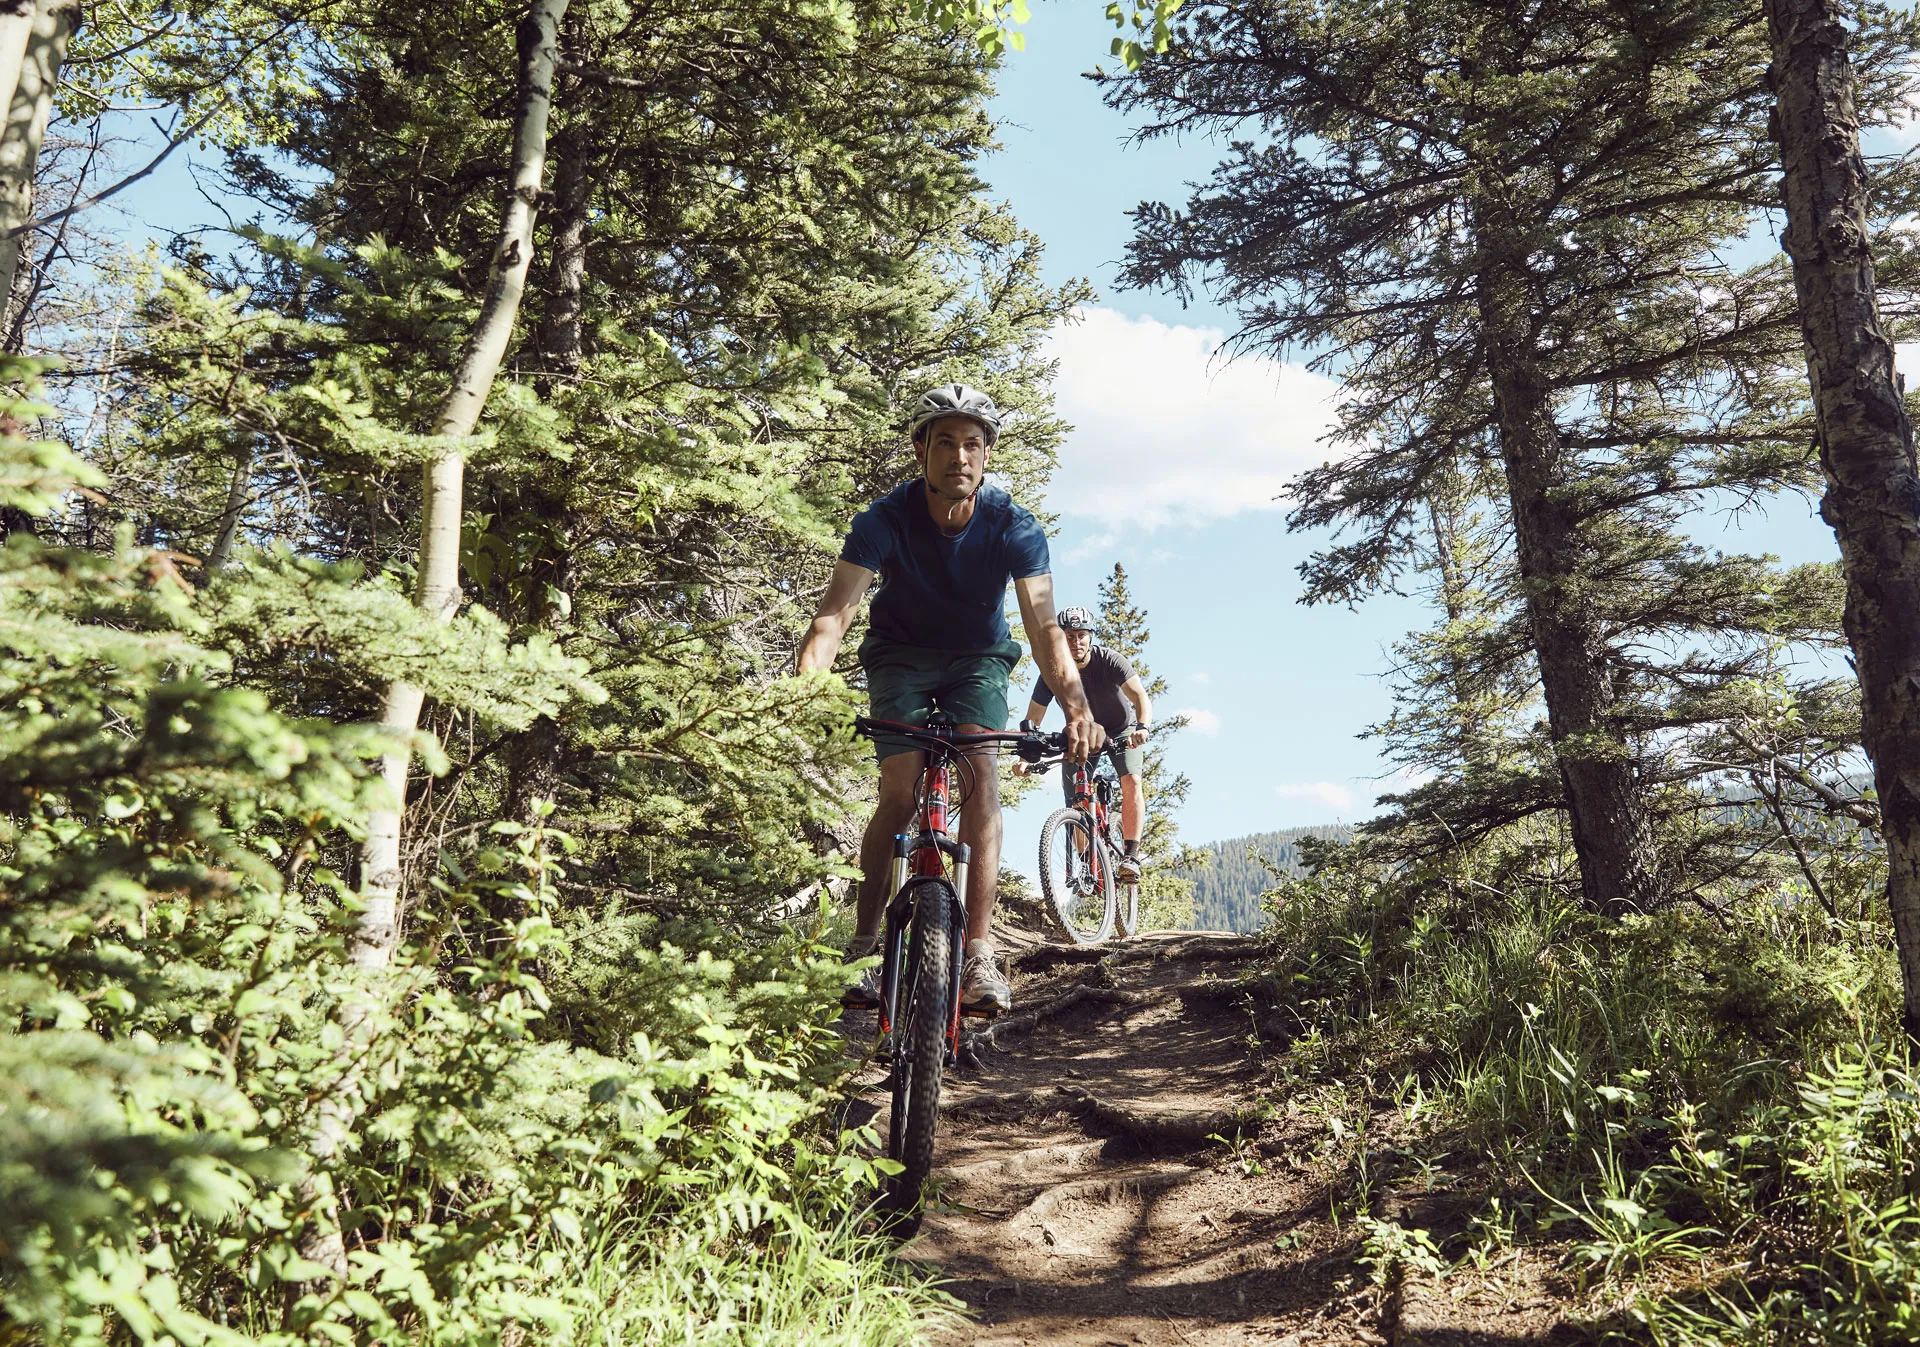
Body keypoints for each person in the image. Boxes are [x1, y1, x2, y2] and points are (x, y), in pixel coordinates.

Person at [795, 384, 1103, 1015]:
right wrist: (800, 693)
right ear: (921, 453)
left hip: (978, 662)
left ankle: (979, 953)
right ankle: (862, 949)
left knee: (981, 773)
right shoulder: (883, 520)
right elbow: (836, 614)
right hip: (899, 655)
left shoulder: (1013, 526)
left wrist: (1077, 705)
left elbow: (1044, 627)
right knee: (901, 791)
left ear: (986, 457)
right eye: (944, 443)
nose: (958, 456)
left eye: (971, 444)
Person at [1013, 606, 1152, 883]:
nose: (1075, 642)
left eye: (1081, 635)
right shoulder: (1052, 672)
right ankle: (1089, 866)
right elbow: (1033, 718)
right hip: (1082, 736)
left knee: (1132, 781)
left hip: (1121, 730)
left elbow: (1140, 698)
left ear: (1091, 637)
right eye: (1069, 636)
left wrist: (1142, 727)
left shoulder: (1110, 660)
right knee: (1076, 800)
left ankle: (1130, 856)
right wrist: (1025, 757)